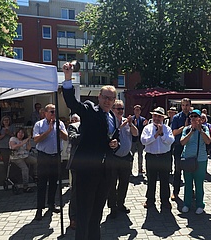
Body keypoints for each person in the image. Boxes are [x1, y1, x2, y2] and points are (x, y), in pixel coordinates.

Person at [62, 62, 119, 240]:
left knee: (97, 215)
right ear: (99, 97)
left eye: (111, 98)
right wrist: (67, 78)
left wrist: (114, 144)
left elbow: (109, 138)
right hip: (87, 172)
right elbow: (72, 102)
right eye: (105, 97)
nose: (108, 101)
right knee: (84, 215)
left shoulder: (112, 116)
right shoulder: (89, 109)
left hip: (105, 172)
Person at [33, 104, 68, 221]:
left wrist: (57, 130)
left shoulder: (60, 124)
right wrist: (48, 131)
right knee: (42, 184)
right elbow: (36, 139)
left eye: (55, 112)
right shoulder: (39, 124)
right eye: (51, 112)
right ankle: (39, 209)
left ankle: (51, 204)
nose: (53, 114)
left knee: (54, 182)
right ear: (45, 113)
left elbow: (66, 137)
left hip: (55, 157)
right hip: (43, 157)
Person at [107, 100, 138, 219]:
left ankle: (120, 204)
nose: (120, 111)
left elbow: (136, 134)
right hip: (113, 157)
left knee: (124, 183)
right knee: (111, 183)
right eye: (118, 109)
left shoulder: (127, 121)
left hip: (126, 158)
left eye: (122, 109)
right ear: (112, 109)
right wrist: (120, 126)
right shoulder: (110, 122)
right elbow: (110, 136)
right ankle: (112, 207)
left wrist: (130, 124)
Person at [141, 107, 174, 210]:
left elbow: (171, 140)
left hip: (164, 157)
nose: (156, 118)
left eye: (159, 116)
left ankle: (165, 201)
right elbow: (143, 141)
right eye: (155, 116)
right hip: (151, 157)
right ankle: (150, 200)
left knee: (165, 180)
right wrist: (155, 135)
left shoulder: (167, 128)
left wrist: (162, 134)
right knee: (151, 180)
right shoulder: (147, 128)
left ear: (163, 118)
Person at [180, 110, 211, 214]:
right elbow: (182, 142)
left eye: (195, 116)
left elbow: (208, 141)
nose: (193, 118)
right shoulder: (186, 129)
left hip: (200, 160)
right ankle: (186, 204)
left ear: (200, 119)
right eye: (191, 116)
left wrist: (200, 130)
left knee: (199, 183)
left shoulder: (205, 128)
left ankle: (199, 204)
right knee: (188, 184)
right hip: (188, 160)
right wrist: (191, 131)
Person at [171, 98, 191, 201]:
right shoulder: (176, 117)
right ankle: (175, 192)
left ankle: (191, 192)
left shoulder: (194, 116)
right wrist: (185, 127)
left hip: (190, 147)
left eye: (187, 105)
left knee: (191, 170)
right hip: (179, 146)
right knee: (178, 170)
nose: (185, 107)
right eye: (183, 105)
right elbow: (174, 132)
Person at [9, 128, 37, 193]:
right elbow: (13, 147)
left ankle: (35, 176)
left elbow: (28, 149)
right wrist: (23, 142)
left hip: (25, 156)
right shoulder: (13, 139)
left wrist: (28, 141)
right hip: (16, 157)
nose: (21, 134)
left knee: (36, 161)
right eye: (19, 133)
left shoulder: (25, 140)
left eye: (22, 133)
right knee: (25, 169)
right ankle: (25, 186)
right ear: (17, 133)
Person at [67, 113, 81, 230]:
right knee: (76, 192)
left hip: (91, 165)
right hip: (77, 165)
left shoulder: (94, 126)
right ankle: (74, 218)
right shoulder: (73, 127)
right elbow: (73, 139)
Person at [131, 104, 147, 175]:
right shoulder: (131, 119)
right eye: (136, 109)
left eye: (138, 110)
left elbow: (144, 130)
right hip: (133, 140)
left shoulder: (143, 119)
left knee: (141, 155)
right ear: (134, 111)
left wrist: (145, 125)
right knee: (132, 155)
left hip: (140, 140)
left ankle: (140, 169)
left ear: (140, 111)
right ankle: (130, 169)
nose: (137, 111)